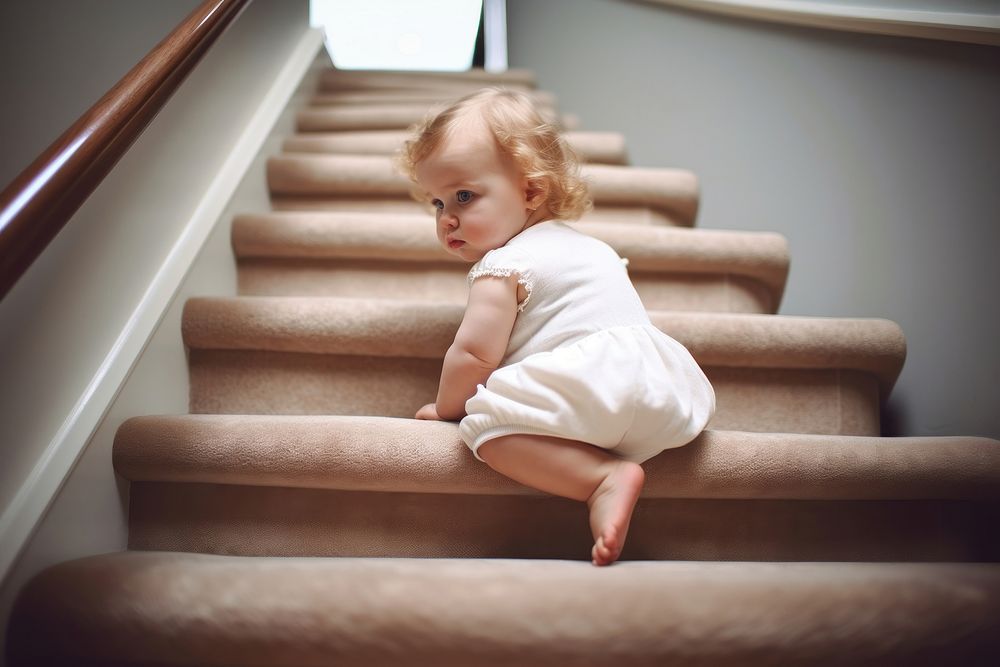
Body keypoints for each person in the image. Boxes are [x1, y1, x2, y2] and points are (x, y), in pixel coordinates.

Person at [399, 88, 715, 566]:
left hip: (593, 390)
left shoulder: (503, 265)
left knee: (487, 427)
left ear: (530, 191)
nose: (449, 218)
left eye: (464, 195)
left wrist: (447, 409)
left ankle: (601, 478)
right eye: (437, 204)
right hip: (660, 393)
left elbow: (475, 356)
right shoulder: (592, 249)